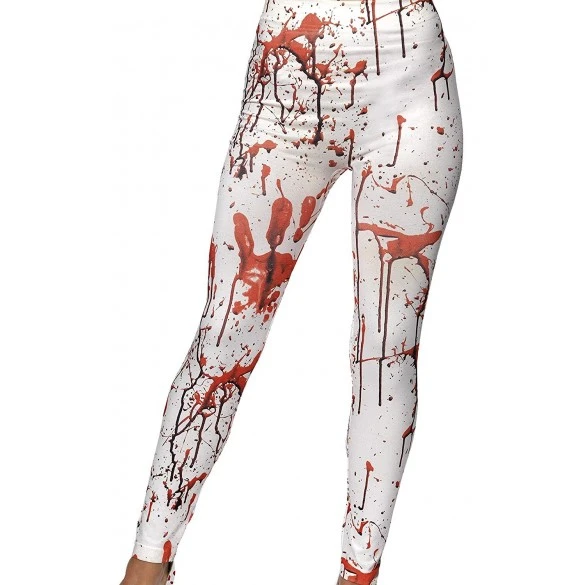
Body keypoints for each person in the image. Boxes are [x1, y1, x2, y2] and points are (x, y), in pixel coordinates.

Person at [119, 0, 463, 583]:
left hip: (413, 83)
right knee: (226, 334)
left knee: (386, 350)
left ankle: (359, 573)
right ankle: (149, 561)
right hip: (287, 86)